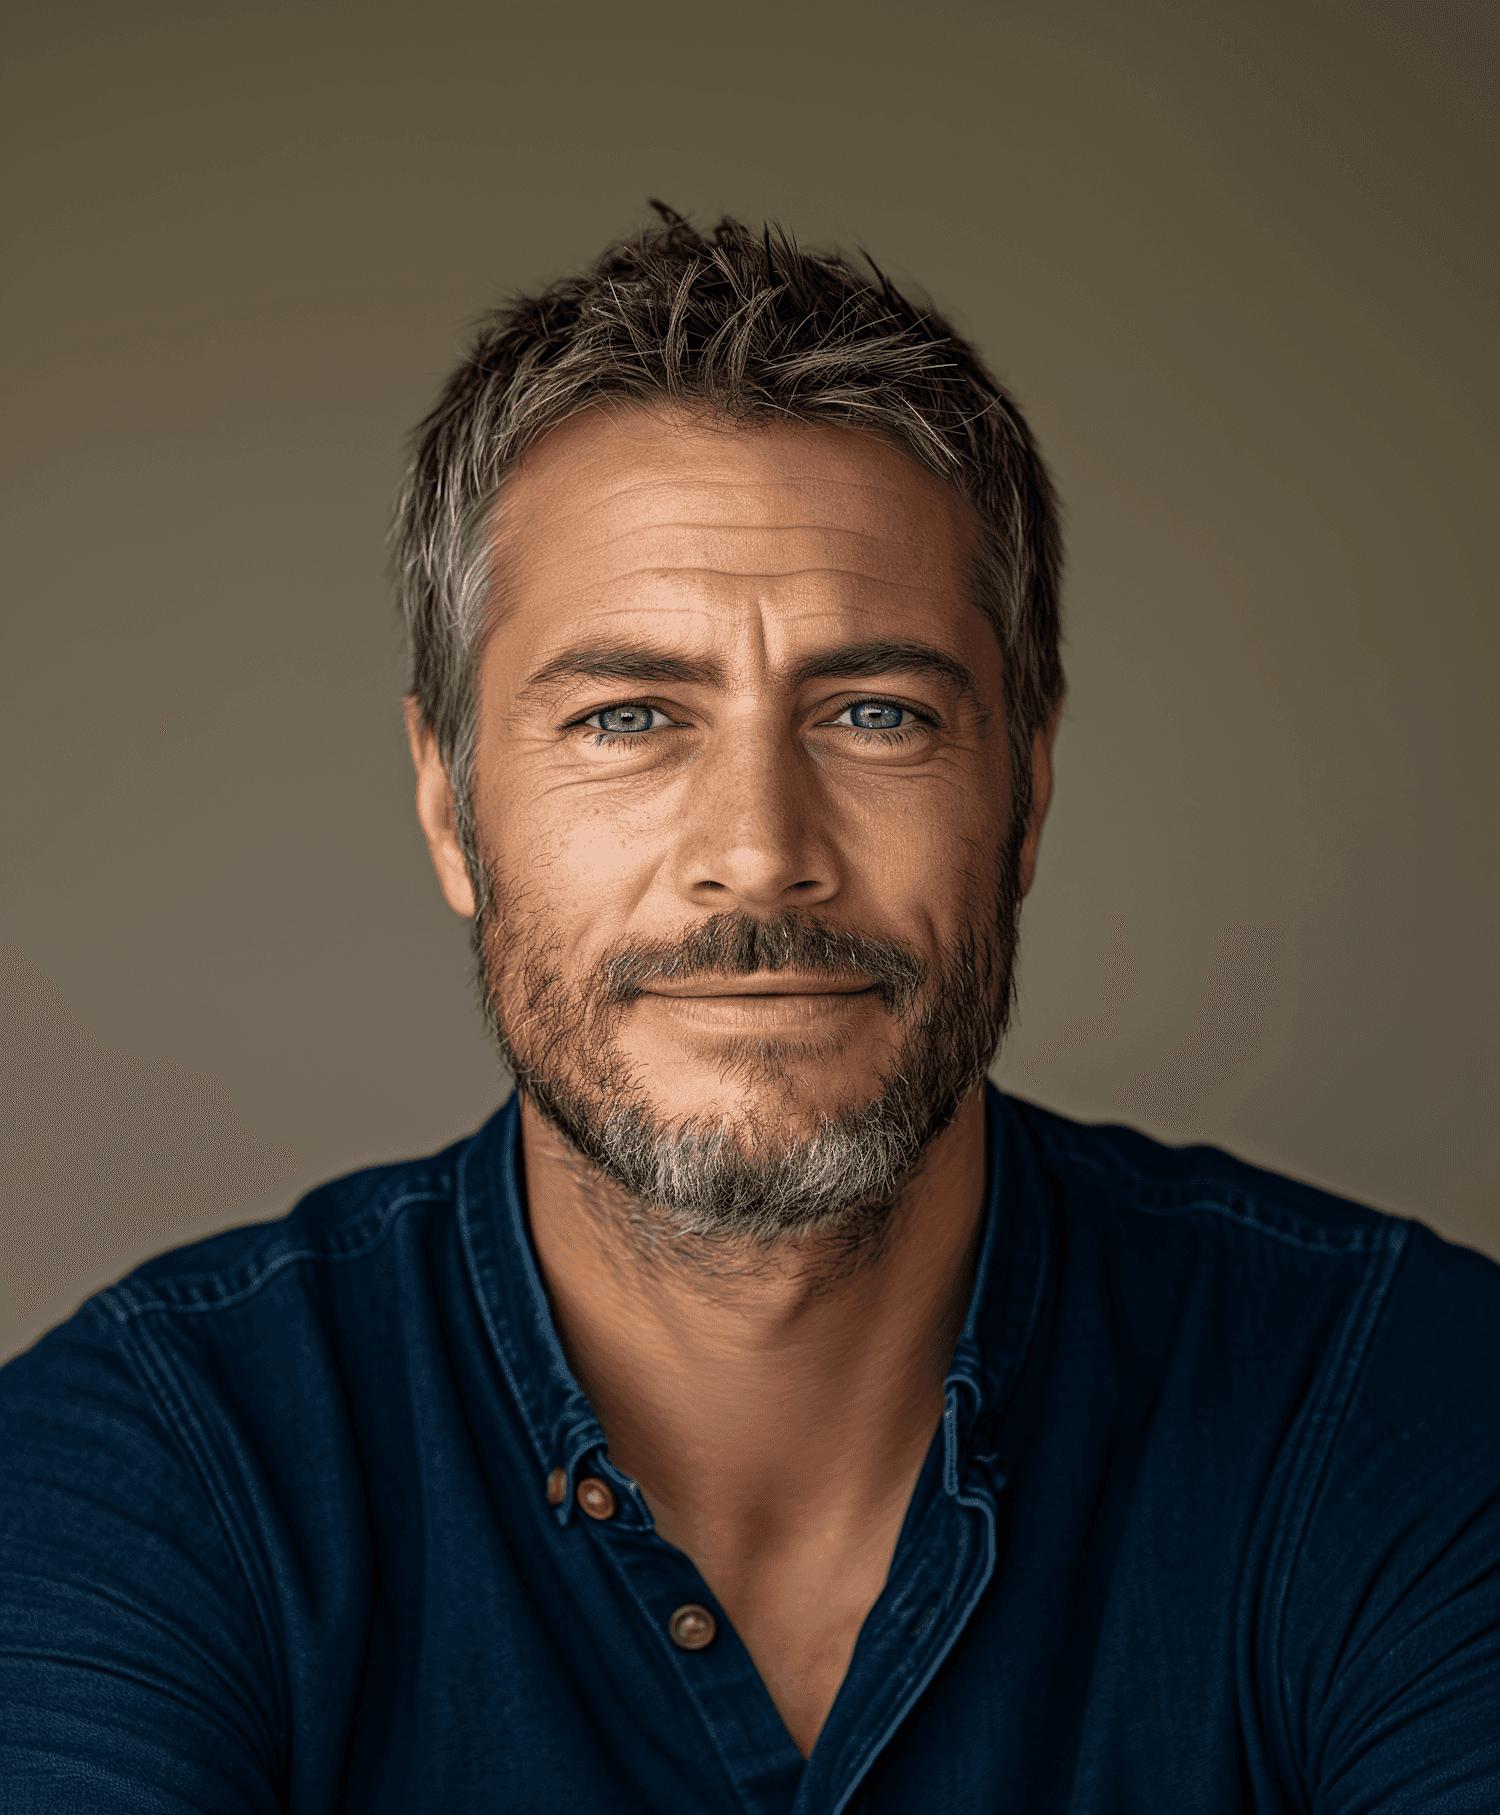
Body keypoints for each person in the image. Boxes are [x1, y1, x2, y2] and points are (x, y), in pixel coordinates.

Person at [1, 206, 1496, 1814]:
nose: (762, 853)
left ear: (1030, 786)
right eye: (629, 715)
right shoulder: (144, 1477)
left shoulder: (1406, 1407)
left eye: (874, 712)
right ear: (450, 803)